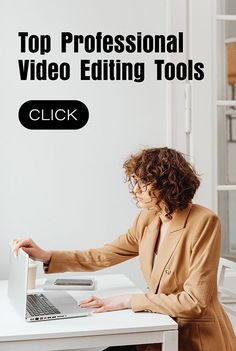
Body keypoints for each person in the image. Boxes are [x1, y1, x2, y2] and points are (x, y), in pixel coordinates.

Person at [11, 147, 236, 351]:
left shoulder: (204, 221)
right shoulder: (148, 219)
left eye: (143, 182)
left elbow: (195, 302)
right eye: (134, 181)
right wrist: (46, 256)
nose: (135, 190)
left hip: (194, 339)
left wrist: (129, 300)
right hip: (158, 327)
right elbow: (102, 256)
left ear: (167, 184)